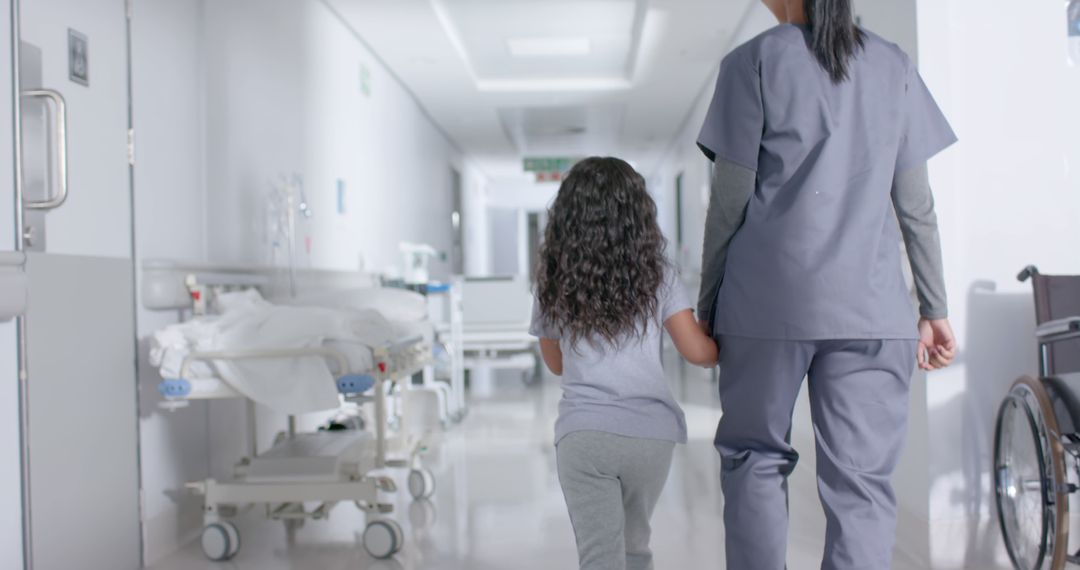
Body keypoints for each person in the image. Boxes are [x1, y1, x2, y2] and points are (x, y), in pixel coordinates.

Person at [695, 0, 958, 568]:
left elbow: (729, 202)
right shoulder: (894, 66)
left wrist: (708, 299)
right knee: (862, 486)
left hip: (765, 307)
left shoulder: (752, 62)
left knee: (754, 459)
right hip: (871, 309)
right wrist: (934, 306)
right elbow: (916, 205)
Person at [530, 156, 719, 570]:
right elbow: (699, 354)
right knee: (636, 549)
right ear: (638, 214)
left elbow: (556, 364)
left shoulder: (554, 279)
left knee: (600, 558)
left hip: (585, 436)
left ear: (567, 215)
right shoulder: (660, 275)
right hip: (650, 437)